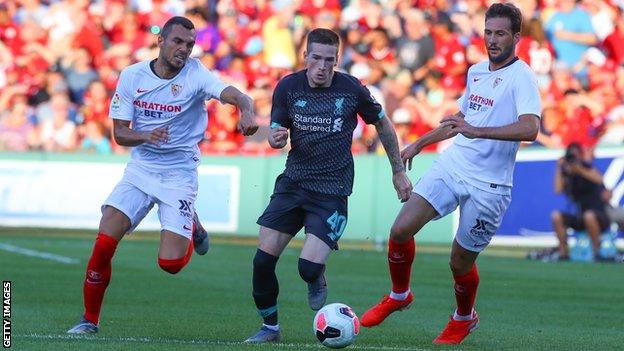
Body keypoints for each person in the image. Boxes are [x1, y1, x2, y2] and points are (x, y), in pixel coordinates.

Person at [360, 3, 541, 345]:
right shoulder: (476, 72)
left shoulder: (523, 77)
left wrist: (478, 131)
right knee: (400, 229)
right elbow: (459, 121)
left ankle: (464, 317)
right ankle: (399, 295)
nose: (492, 40)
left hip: (490, 185)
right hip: (454, 164)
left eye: (500, 33)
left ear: (516, 37)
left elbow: (530, 128)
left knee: (459, 262)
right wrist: (419, 143)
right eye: (488, 32)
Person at [67, 16, 258, 334]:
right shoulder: (132, 76)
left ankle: (191, 223)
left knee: (170, 265)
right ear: (161, 41)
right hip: (140, 169)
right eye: (178, 42)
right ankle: (89, 320)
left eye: (189, 44)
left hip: (179, 173)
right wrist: (146, 136)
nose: (184, 49)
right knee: (103, 244)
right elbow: (120, 134)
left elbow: (238, 95)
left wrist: (247, 110)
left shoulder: (197, 74)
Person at [244, 28, 412, 343]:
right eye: (317, 58)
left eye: (330, 60)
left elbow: (383, 124)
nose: (322, 66)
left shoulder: (351, 90)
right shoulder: (288, 87)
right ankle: (270, 329)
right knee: (262, 261)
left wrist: (397, 170)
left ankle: (316, 275)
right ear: (305, 56)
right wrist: (274, 137)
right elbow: (276, 131)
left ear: (337, 60)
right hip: (292, 185)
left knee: (307, 268)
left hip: (331, 192)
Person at [551, 143, 610, 260]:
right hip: (580, 217)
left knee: (588, 215)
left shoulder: (587, 167)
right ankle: (563, 252)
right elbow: (557, 190)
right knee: (556, 216)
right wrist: (559, 168)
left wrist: (579, 170)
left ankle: (597, 252)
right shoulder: (567, 174)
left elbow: (599, 179)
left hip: (599, 215)